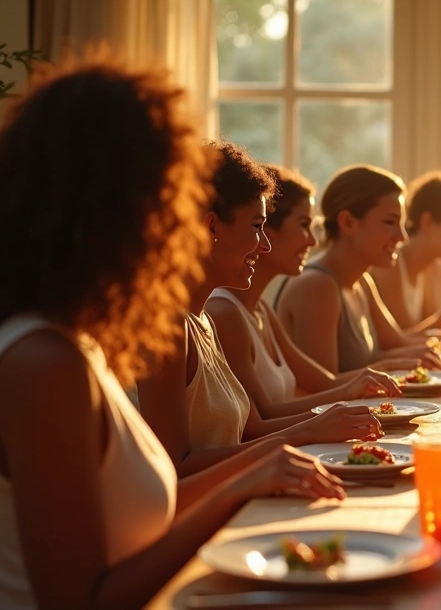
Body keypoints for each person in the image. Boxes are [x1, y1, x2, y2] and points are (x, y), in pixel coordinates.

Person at [0, 56, 343, 609]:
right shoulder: (43, 362)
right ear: (116, 207)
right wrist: (235, 490)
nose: (182, 220)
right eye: (172, 196)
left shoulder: (78, 342)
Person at [138, 142, 383, 476]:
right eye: (256, 226)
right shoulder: (165, 329)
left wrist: (332, 417)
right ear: (210, 227)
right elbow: (175, 469)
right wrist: (308, 431)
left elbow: (252, 429)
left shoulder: (204, 321)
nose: (264, 244)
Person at [207, 164, 431, 419]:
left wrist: (382, 372)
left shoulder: (260, 309)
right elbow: (261, 420)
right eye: (304, 225)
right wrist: (336, 410)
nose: (313, 241)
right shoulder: (227, 311)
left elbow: (327, 383)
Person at [276, 164, 440, 373]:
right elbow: (324, 388)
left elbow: (396, 343)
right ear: (348, 223)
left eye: (402, 224)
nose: (402, 236)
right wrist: (390, 365)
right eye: (390, 222)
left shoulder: (361, 280)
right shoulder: (317, 286)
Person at [369, 170, 441, 333]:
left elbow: (434, 337)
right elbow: (393, 343)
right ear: (427, 221)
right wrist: (439, 320)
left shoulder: (435, 269)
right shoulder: (389, 267)